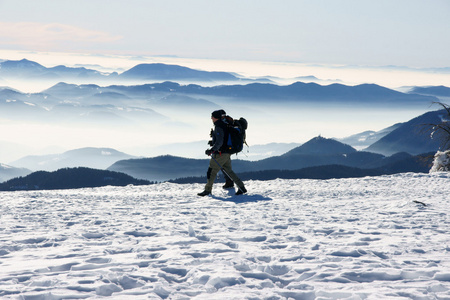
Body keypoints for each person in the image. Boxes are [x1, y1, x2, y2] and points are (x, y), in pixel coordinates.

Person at [197, 110, 247, 196]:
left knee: (211, 171)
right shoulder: (224, 125)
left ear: (216, 117)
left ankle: (207, 190)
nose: (211, 118)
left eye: (212, 116)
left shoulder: (219, 126)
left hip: (220, 154)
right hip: (226, 153)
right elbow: (223, 140)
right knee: (229, 171)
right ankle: (241, 187)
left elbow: (220, 142)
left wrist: (212, 150)